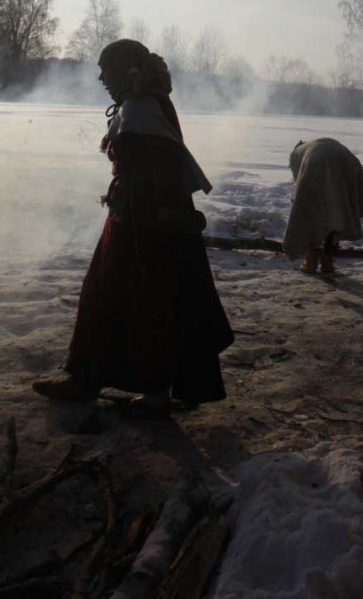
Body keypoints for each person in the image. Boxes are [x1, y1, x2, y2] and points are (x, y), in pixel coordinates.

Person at [33, 39, 233, 417]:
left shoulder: (141, 109)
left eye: (104, 68)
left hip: (144, 227)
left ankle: (100, 382)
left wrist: (140, 227)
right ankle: (135, 388)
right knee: (142, 301)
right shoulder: (145, 104)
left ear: (125, 70)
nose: (99, 76)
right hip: (144, 222)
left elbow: (154, 176)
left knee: (130, 300)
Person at [283, 137, 363, 274]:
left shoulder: (297, 154)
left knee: (310, 214)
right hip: (348, 162)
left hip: (319, 163)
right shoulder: (312, 146)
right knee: (337, 215)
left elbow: (299, 180)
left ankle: (310, 261)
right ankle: (327, 261)